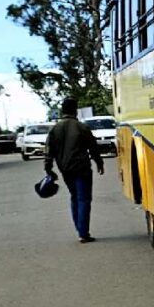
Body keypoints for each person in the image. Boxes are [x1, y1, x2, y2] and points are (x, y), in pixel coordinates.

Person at [44, 98, 104, 243]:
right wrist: (99, 162)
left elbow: (48, 151)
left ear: (62, 111)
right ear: (75, 110)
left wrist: (48, 168)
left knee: (74, 196)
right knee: (83, 199)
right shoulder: (81, 127)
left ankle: (79, 229)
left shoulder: (54, 129)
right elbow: (93, 147)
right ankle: (83, 233)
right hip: (82, 168)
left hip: (65, 169)